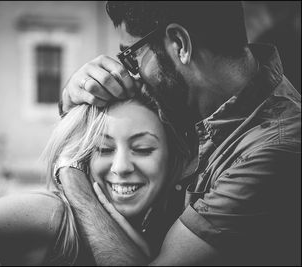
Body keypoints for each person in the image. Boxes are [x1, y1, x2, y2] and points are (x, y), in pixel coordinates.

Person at [58, 1, 301, 265]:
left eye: (131, 56)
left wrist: (71, 175)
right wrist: (75, 94)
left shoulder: (274, 150)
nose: (133, 75)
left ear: (180, 44)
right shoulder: (188, 100)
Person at [0, 90, 185, 266]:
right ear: (83, 154)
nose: (121, 166)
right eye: (104, 148)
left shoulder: (182, 235)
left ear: (172, 159)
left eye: (143, 149)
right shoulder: (49, 216)